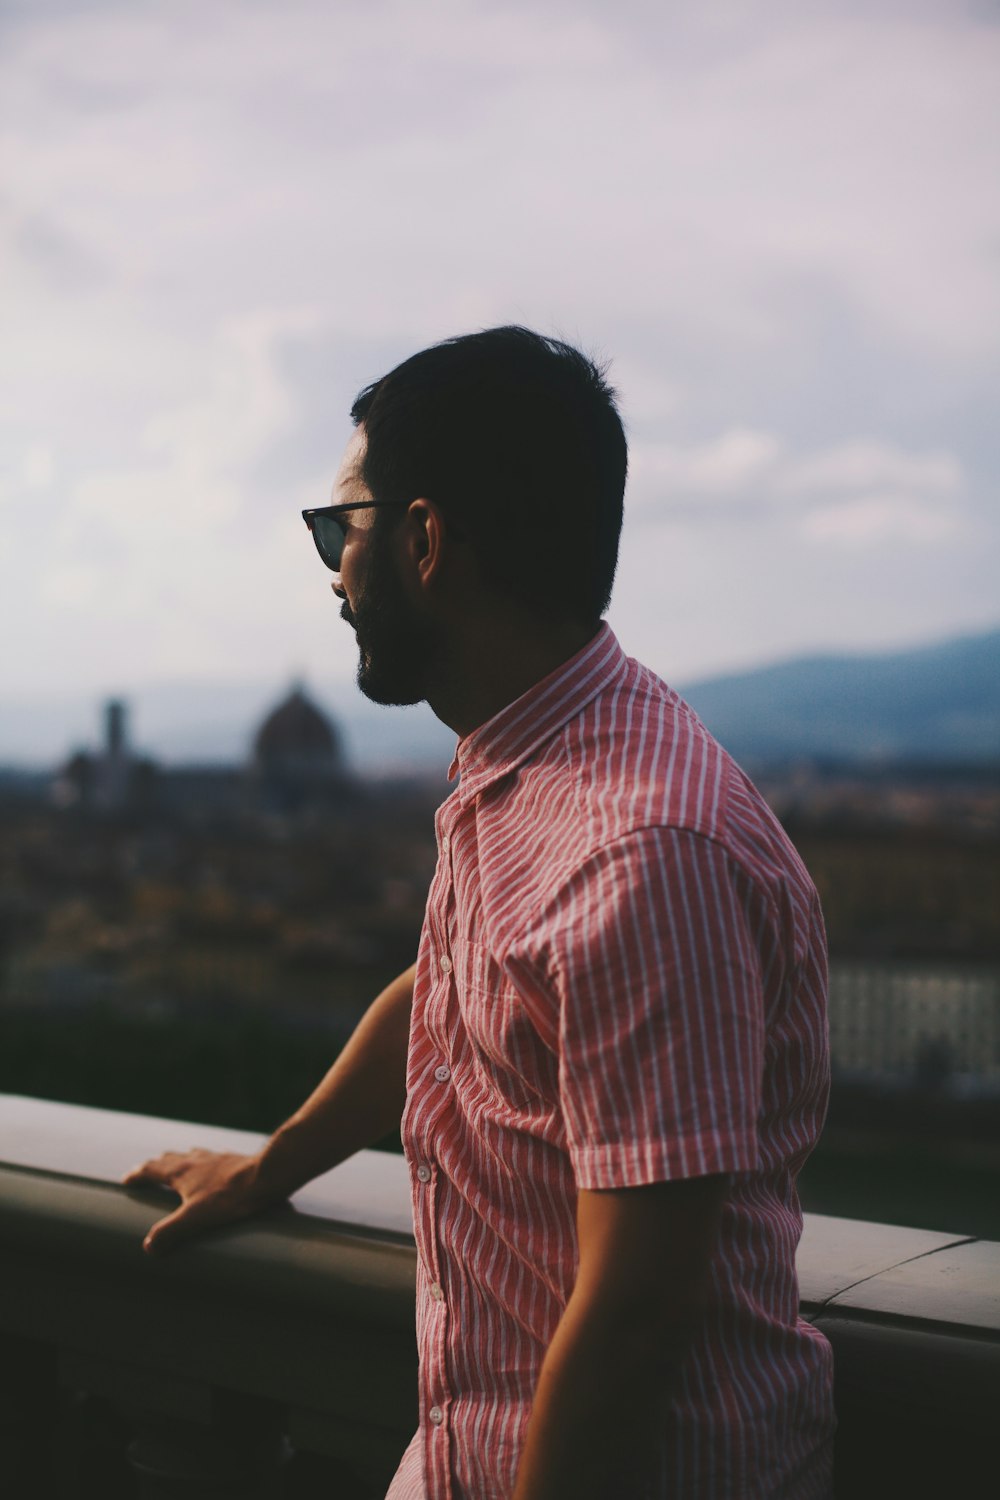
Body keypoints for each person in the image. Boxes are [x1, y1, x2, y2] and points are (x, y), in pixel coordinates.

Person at [126, 326, 835, 1499]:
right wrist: (269, 1169)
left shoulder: (642, 849)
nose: (329, 569)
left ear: (421, 539)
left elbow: (633, 1318)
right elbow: (450, 995)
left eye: (336, 527)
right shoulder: (525, 763)